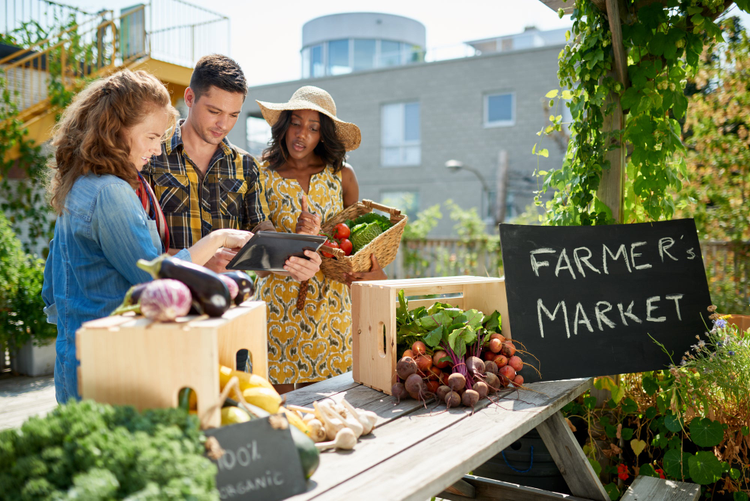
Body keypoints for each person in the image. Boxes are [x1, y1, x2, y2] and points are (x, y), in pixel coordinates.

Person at [40, 70, 307, 404]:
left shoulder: (85, 184)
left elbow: (51, 286)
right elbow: (153, 276)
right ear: (117, 129)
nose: (156, 147)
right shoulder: (112, 192)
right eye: (151, 136)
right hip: (115, 361)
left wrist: (73, 324)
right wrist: (217, 240)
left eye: (234, 115)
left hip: (88, 354)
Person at [255, 86, 386, 393]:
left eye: (313, 128)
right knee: (279, 409)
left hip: (332, 308)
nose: (302, 134)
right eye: (296, 123)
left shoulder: (342, 175)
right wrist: (297, 238)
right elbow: (259, 253)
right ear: (284, 125)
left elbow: (352, 243)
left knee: (331, 406)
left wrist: (327, 243)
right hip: (279, 308)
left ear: (323, 135)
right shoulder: (261, 175)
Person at [141, 54, 278, 274]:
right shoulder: (150, 157)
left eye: (233, 115)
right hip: (169, 299)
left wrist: (292, 259)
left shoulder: (248, 166)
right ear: (189, 98)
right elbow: (136, 251)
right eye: (214, 111)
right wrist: (200, 260)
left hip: (231, 300)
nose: (223, 124)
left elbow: (263, 252)